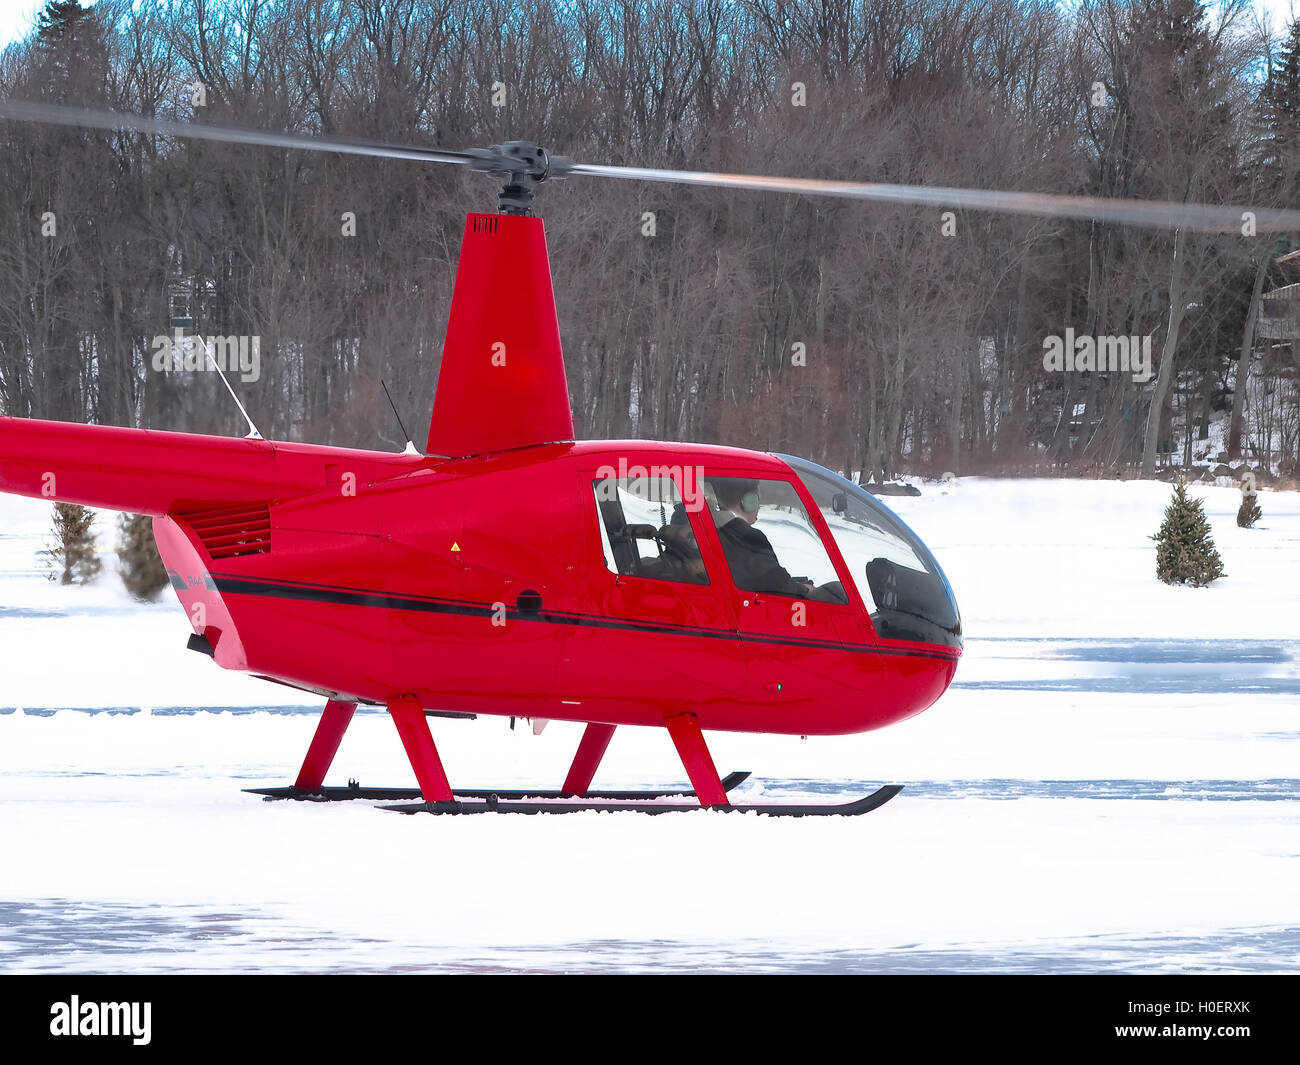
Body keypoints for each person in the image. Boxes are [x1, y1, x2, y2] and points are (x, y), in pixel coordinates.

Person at [709, 478, 815, 598]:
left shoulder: (714, 528)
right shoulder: (748, 537)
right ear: (748, 501)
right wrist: (805, 590)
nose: (759, 506)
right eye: (758, 499)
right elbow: (777, 583)